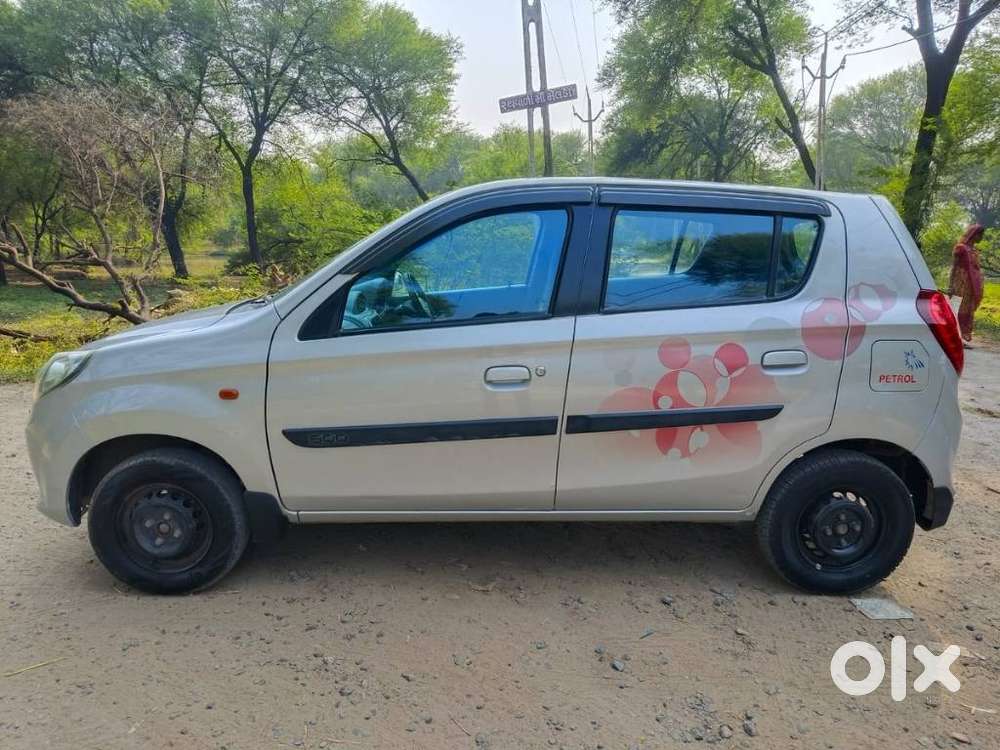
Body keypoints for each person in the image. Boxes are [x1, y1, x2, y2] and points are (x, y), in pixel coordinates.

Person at [948, 223, 986, 345]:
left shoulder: (974, 251)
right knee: (956, 308)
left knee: (968, 310)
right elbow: (954, 267)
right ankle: (953, 337)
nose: (982, 238)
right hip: (959, 284)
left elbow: (976, 269)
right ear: (974, 235)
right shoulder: (961, 248)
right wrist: (950, 286)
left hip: (971, 286)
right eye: (980, 235)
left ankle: (962, 337)